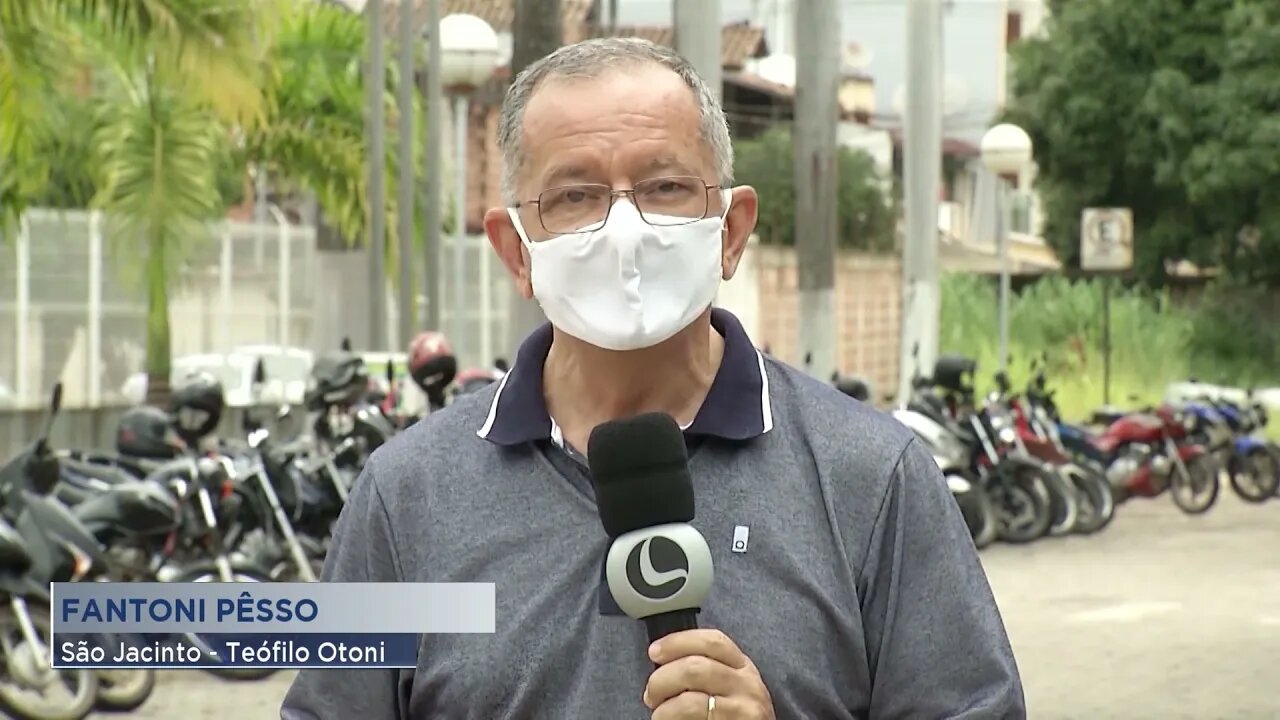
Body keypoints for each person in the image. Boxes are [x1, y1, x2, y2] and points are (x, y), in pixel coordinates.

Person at [281, 37, 1024, 719]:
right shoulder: (407, 500)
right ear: (515, 252)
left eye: (665, 186)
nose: (625, 231)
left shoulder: (871, 481)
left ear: (730, 231)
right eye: (575, 196)